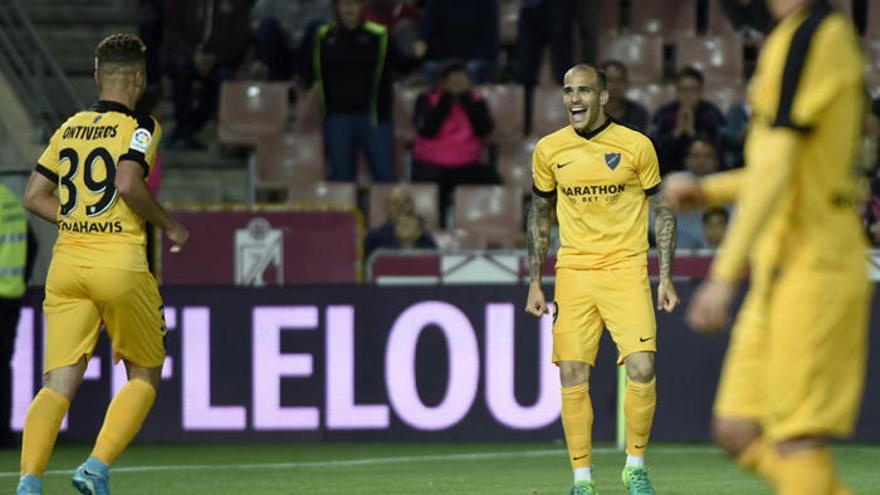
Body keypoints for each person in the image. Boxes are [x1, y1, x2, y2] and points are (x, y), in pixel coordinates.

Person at [664, 1, 869, 493]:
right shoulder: (787, 39)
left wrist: (722, 276)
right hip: (780, 268)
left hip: (816, 267)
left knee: (796, 441)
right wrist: (710, 191)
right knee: (736, 430)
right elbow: (780, 164)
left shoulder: (815, 36)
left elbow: (779, 164)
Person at [16, 34, 189, 495]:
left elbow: (34, 197)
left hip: (67, 264)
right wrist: (170, 225)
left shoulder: (69, 126)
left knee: (57, 384)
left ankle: (29, 483)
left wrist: (76, 218)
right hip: (119, 264)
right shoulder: (142, 126)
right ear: (140, 78)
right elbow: (129, 183)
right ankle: (95, 467)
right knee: (145, 372)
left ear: (97, 77)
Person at [525, 64, 679, 495]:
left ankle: (635, 466)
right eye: (568, 91)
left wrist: (665, 277)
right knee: (572, 372)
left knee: (643, 367)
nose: (575, 99)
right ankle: (582, 480)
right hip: (573, 270)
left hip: (627, 269)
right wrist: (534, 281)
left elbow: (663, 211)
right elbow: (539, 215)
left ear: (604, 97)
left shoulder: (636, 146)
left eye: (585, 91)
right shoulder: (549, 150)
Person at [311, 0, 406, 183]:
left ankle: (386, 213)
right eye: (343, 4)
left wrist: (419, 52)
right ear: (336, 8)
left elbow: (403, 64)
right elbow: (308, 70)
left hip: (374, 118)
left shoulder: (380, 35)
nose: (348, 8)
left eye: (353, 3)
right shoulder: (323, 37)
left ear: (362, 6)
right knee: (341, 180)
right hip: (337, 119)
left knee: (385, 176)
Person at [412, 60, 497, 225]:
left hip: (467, 164)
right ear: (442, 82)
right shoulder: (425, 99)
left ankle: (477, 228)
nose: (457, 83)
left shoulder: (476, 100)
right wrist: (446, 99)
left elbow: (484, 130)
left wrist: (465, 100)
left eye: (461, 79)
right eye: (452, 80)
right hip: (432, 164)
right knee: (432, 183)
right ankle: (436, 228)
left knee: (493, 180)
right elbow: (426, 130)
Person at [163, 0, 251, 149]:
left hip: (221, 59)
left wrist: (215, 58)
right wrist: (193, 55)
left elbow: (240, 39)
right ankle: (184, 132)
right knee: (180, 66)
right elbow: (172, 33)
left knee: (224, 79)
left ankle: (186, 130)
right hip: (188, 56)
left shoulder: (237, 4)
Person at [0, 182, 36, 448]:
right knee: (2, 366)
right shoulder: (7, 197)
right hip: (11, 295)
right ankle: (3, 433)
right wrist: (20, 280)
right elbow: (32, 243)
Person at [650, 67, 726, 175]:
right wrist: (676, 133)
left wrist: (692, 133)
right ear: (676, 92)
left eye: (692, 90)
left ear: (701, 92)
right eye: (683, 90)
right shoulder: (664, 114)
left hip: (706, 174)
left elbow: (718, 151)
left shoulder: (712, 114)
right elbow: (655, 152)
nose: (688, 95)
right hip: (669, 173)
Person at [417, 0, 498, 85]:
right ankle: (431, 98)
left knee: (471, 69)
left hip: (475, 58)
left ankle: (471, 98)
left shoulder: (486, 2)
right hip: (444, 59)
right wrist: (420, 47)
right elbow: (426, 31)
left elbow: (490, 40)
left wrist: (477, 58)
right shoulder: (437, 2)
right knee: (430, 68)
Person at [251, 0, 332, 83]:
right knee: (267, 25)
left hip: (308, 57)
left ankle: (315, 83)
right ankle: (269, 83)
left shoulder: (325, 4)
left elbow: (332, 34)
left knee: (319, 27)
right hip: (278, 55)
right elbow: (256, 29)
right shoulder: (266, 3)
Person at [600, 60, 649, 132]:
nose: (615, 85)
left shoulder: (638, 112)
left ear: (627, 83)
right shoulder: (590, 112)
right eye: (610, 80)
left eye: (619, 80)